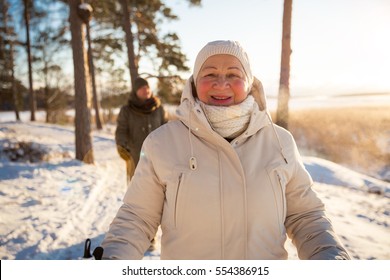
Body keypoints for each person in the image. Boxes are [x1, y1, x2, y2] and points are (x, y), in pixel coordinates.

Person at [102, 40, 351, 260]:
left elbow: (306, 217)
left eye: (233, 74)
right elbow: (137, 218)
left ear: (250, 82)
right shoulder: (162, 144)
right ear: (194, 82)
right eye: (209, 74)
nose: (221, 84)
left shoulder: (280, 141)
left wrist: (331, 260)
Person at [115, 77, 167, 183]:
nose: (146, 90)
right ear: (135, 91)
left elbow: (166, 129)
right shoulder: (127, 110)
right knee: (136, 190)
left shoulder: (159, 108)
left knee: (159, 189)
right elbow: (121, 130)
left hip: (158, 156)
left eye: (147, 87)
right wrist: (123, 148)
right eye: (142, 88)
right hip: (135, 156)